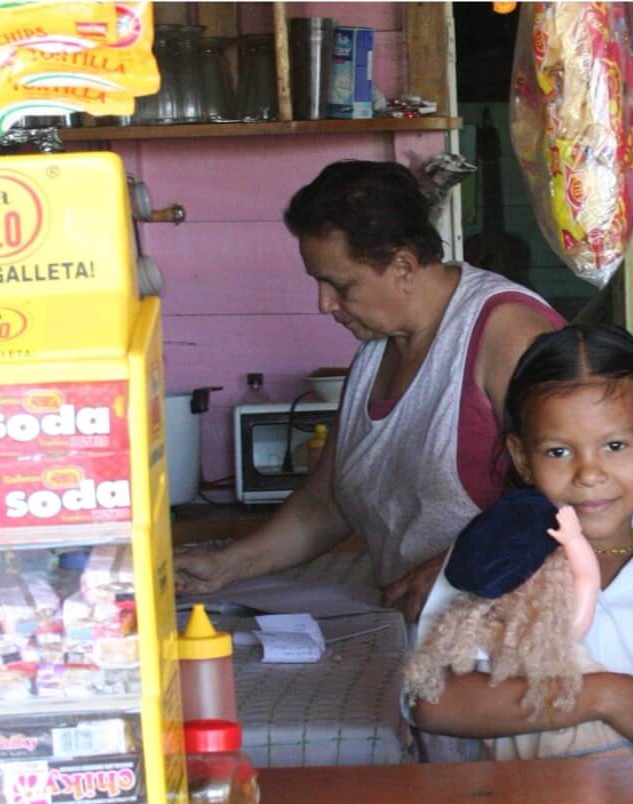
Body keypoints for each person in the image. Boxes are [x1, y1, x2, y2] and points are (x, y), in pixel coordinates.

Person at [173, 160, 563, 619]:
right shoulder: (376, 350)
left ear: (402, 265)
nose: (324, 304)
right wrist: (224, 567)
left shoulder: (507, 335)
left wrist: (461, 565)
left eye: (340, 285)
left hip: (513, 635)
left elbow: (580, 499)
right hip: (424, 634)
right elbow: (326, 502)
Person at [407, 325, 633, 757]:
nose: (589, 474)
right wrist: (600, 697)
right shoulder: (490, 568)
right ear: (523, 458)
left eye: (614, 445)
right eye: (559, 451)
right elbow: (431, 704)